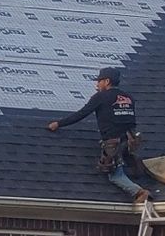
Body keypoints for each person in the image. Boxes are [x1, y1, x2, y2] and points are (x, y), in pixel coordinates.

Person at [48, 67, 150, 202]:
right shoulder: (128, 98)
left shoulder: (100, 97)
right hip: (130, 139)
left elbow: (82, 114)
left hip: (113, 142)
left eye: (99, 81)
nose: (97, 84)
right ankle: (135, 165)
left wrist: (59, 124)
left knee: (114, 174)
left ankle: (139, 191)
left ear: (107, 81)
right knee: (125, 155)